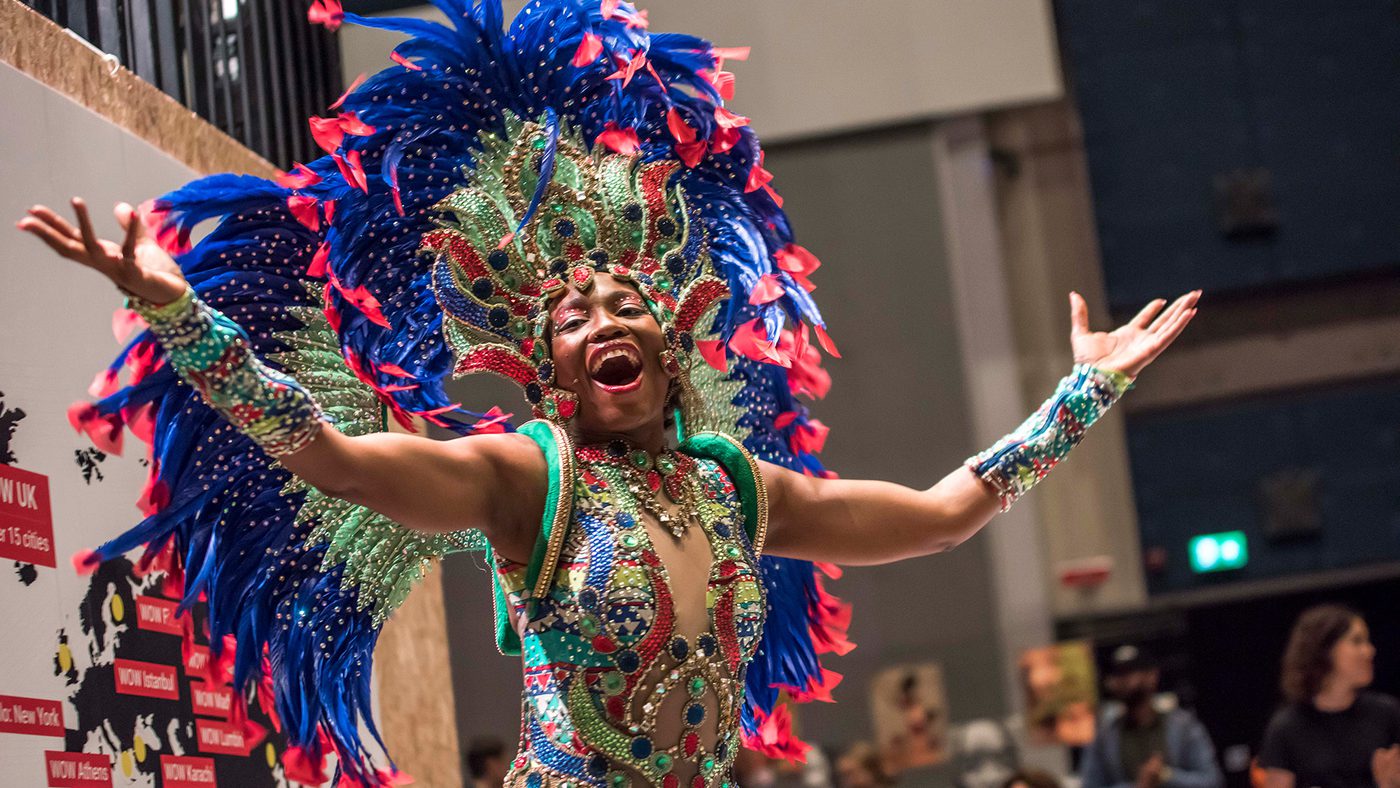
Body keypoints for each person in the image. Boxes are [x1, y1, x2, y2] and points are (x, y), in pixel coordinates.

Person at [15, 1, 1198, 785]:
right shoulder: (524, 479)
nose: (601, 320)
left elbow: (945, 511)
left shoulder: (738, 490)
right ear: (547, 370)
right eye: (570, 317)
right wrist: (179, 310)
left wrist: (1076, 402)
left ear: (675, 336)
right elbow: (328, 454)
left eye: (624, 304)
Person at [1259, 605, 1400, 788]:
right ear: (1324, 649)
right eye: (1357, 641)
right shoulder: (1287, 727)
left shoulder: (1386, 713)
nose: (1369, 650)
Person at [1080, 645, 1223, 788]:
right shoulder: (1104, 736)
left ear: (1152, 675)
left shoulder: (1183, 726)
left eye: (1130, 672)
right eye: (1119, 674)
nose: (1124, 681)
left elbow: (1212, 781)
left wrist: (1165, 776)